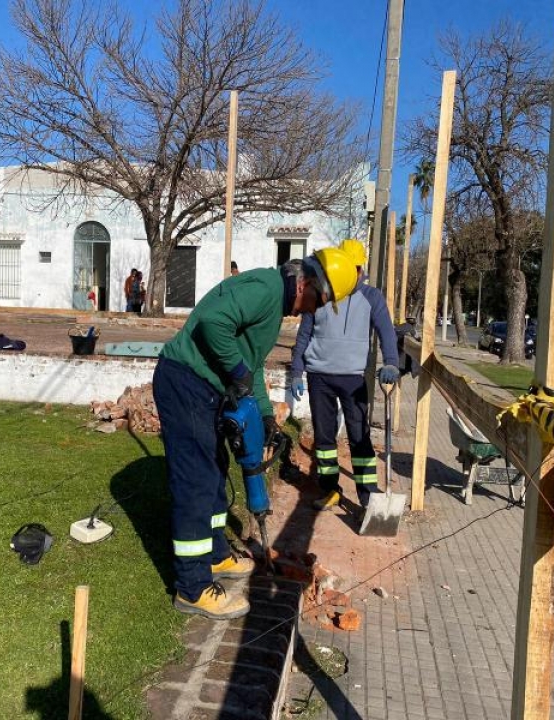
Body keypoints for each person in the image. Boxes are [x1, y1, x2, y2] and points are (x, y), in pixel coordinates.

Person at [154, 248, 359, 620]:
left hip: (205, 389)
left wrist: (266, 417)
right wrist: (237, 370)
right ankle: (193, 588)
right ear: (306, 283)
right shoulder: (265, 288)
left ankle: (214, 557)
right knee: (196, 483)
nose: (313, 310)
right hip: (185, 382)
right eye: (320, 301)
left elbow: (253, 367)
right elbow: (212, 322)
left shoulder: (274, 304)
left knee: (215, 475)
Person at [289, 238, 400, 517]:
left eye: (358, 269)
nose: (354, 274)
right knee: (325, 441)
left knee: (359, 438)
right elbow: (304, 334)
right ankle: (330, 490)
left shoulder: (371, 297)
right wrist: (296, 371)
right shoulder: (324, 292)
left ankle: (368, 497)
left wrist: (392, 363)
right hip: (319, 376)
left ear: (362, 269)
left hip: (352, 378)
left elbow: (386, 331)